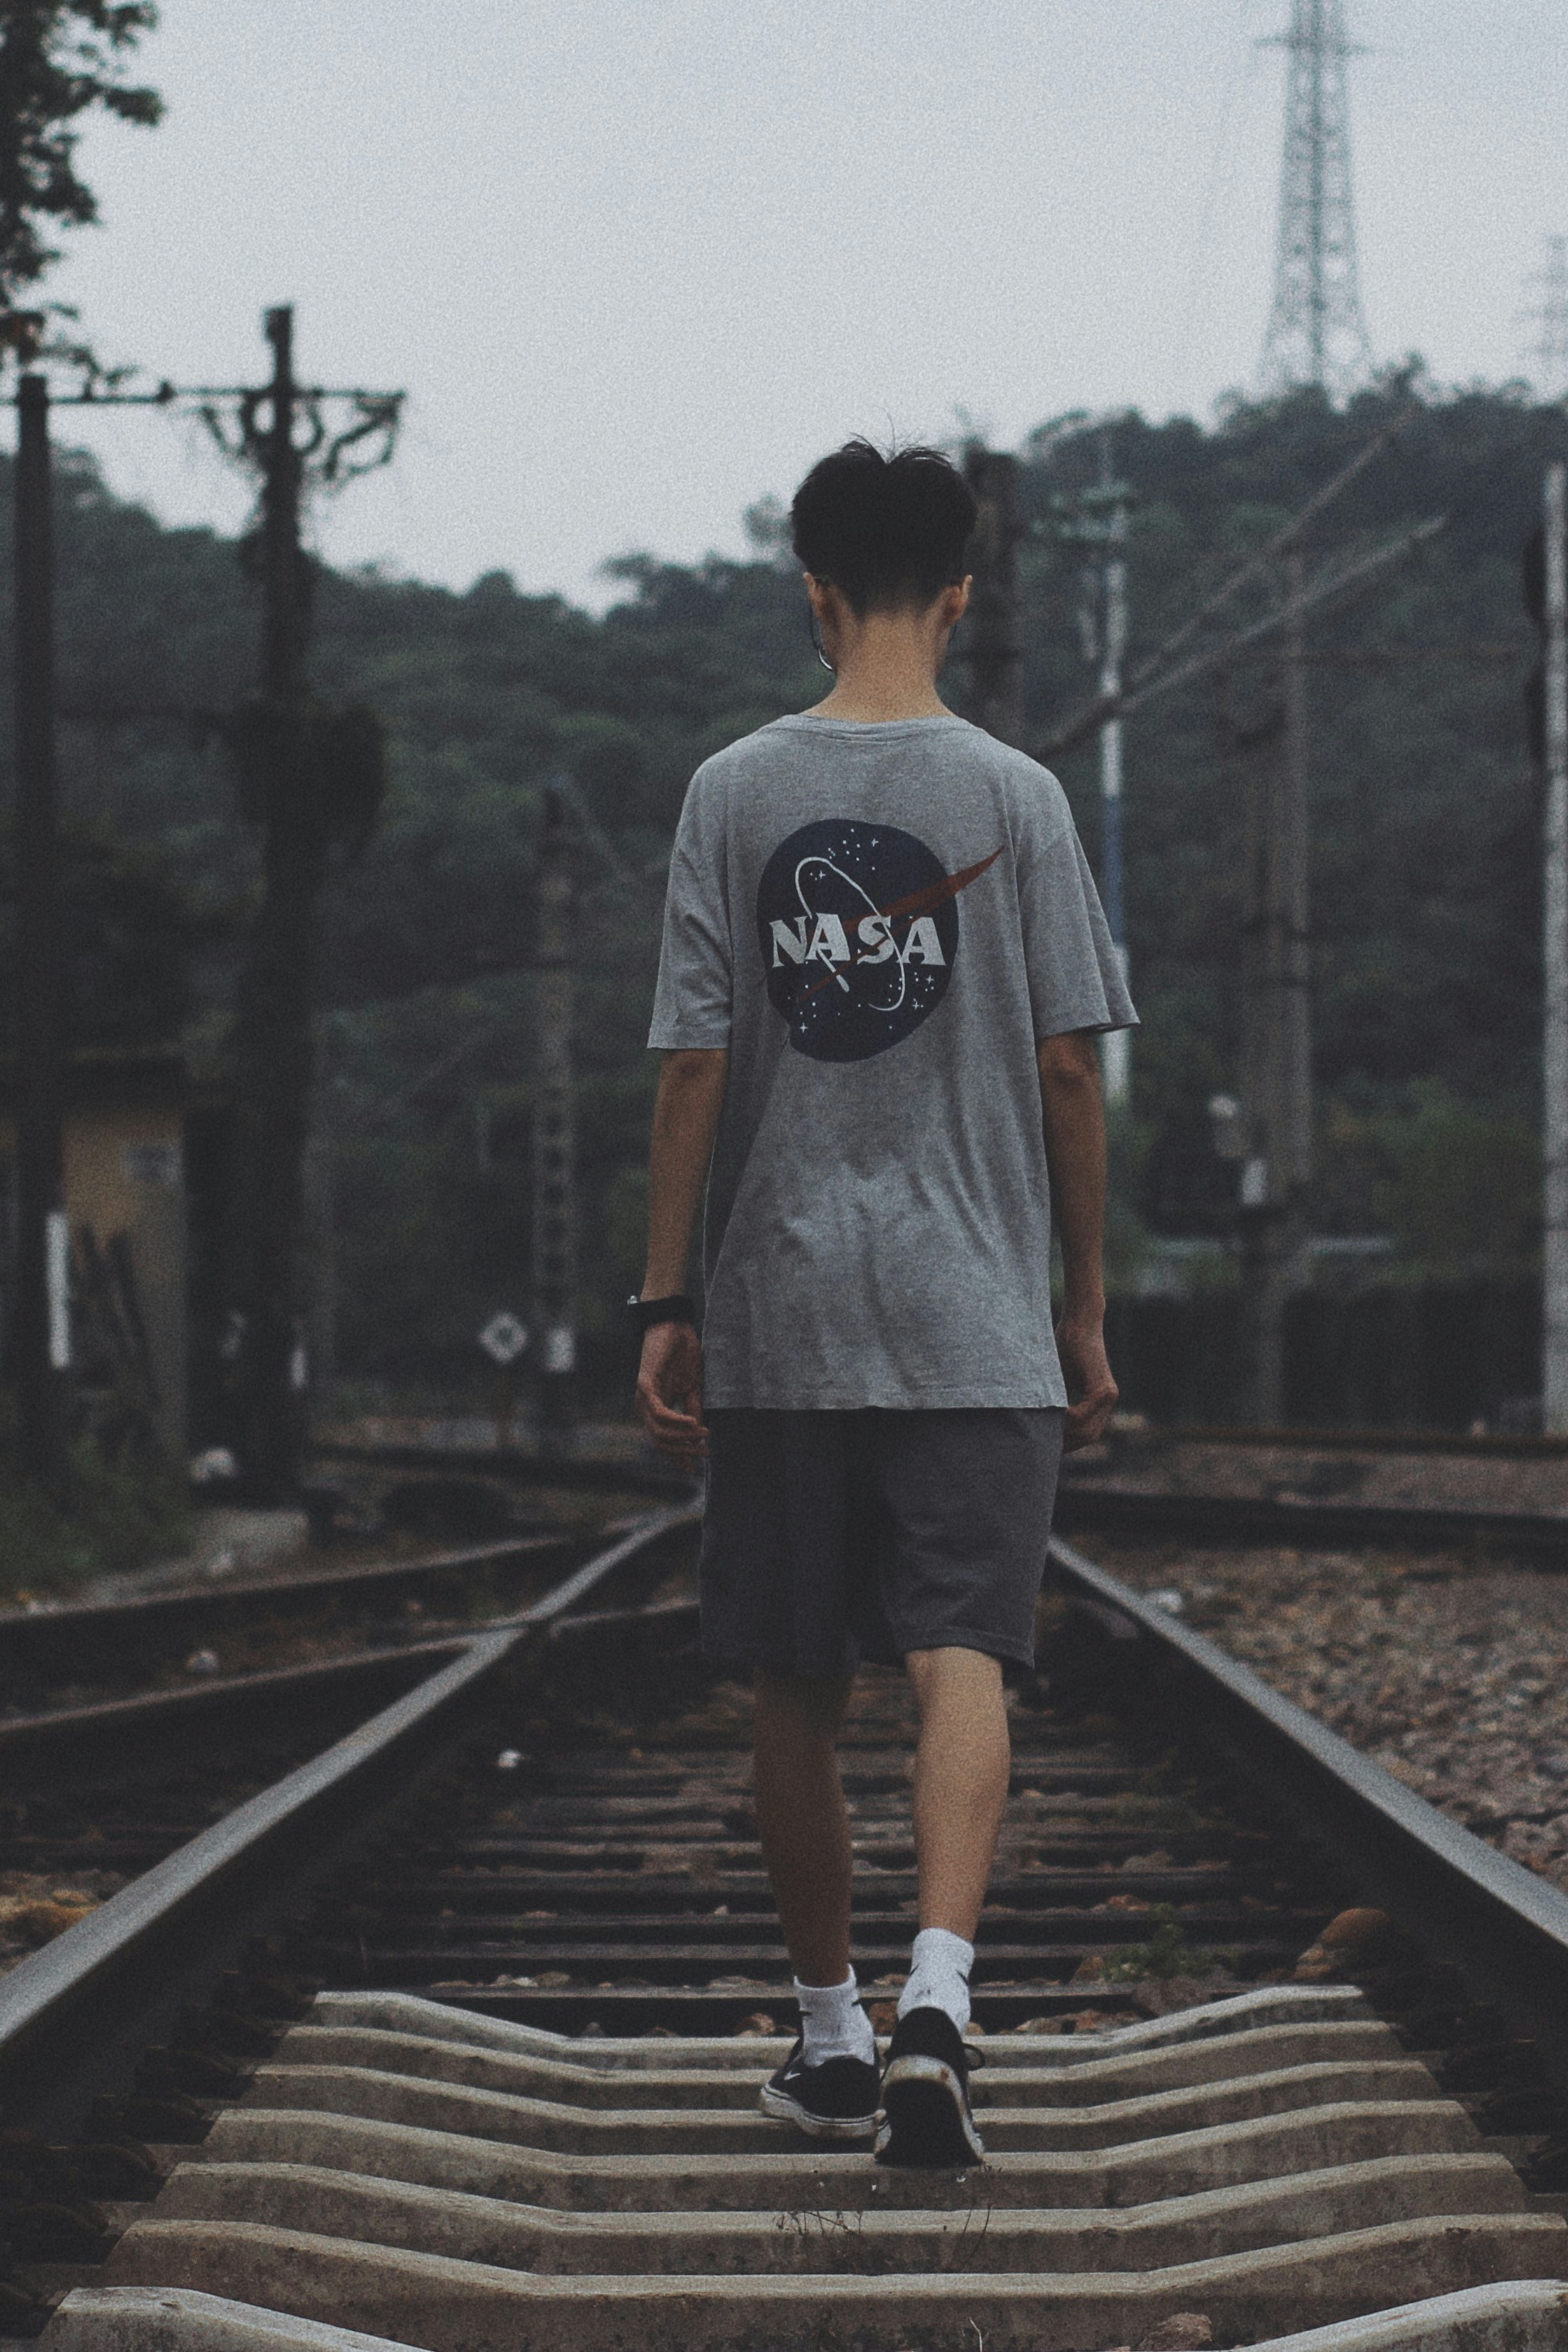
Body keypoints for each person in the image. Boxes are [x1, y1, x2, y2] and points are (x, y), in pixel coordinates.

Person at [632, 438, 1133, 2170]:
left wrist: (664, 1288)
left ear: (815, 591)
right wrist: (1079, 1307)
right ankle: (940, 2001)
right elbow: (1073, 1073)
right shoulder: (1021, 796)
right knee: (963, 1651)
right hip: (978, 1306)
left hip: (778, 1303)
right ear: (968, 593)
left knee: (793, 1678)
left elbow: (691, 1061)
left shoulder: (731, 791)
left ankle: (833, 2033)